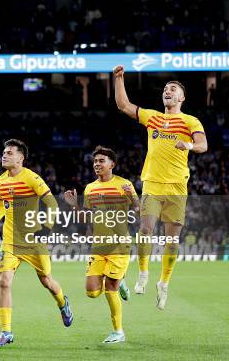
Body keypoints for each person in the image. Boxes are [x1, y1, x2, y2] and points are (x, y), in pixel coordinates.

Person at [113, 65, 207, 309]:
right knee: (145, 230)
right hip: (152, 183)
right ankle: (143, 273)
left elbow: (203, 145)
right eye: (165, 88)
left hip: (177, 186)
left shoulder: (190, 121)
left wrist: (188, 145)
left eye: (173, 89)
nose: (168, 90)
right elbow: (123, 105)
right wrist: (119, 79)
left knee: (171, 241)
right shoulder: (153, 117)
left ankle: (163, 283)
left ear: (182, 97)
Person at [0, 139, 73, 348]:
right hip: (10, 242)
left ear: (20, 158)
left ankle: (62, 303)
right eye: (3, 152)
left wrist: (47, 227)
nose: (4, 155)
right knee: (4, 282)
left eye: (9, 153)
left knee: (47, 281)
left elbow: (52, 203)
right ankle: (6, 332)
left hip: (34, 241)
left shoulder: (32, 178)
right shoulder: (0, 181)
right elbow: (2, 203)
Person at [64, 146, 137, 344]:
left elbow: (139, 210)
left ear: (112, 164)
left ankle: (118, 331)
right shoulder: (90, 188)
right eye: (95, 161)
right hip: (98, 246)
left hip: (119, 244)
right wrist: (74, 206)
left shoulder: (124, 184)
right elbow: (85, 219)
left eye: (101, 161)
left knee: (110, 289)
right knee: (92, 292)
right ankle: (121, 280)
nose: (97, 164)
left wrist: (132, 199)